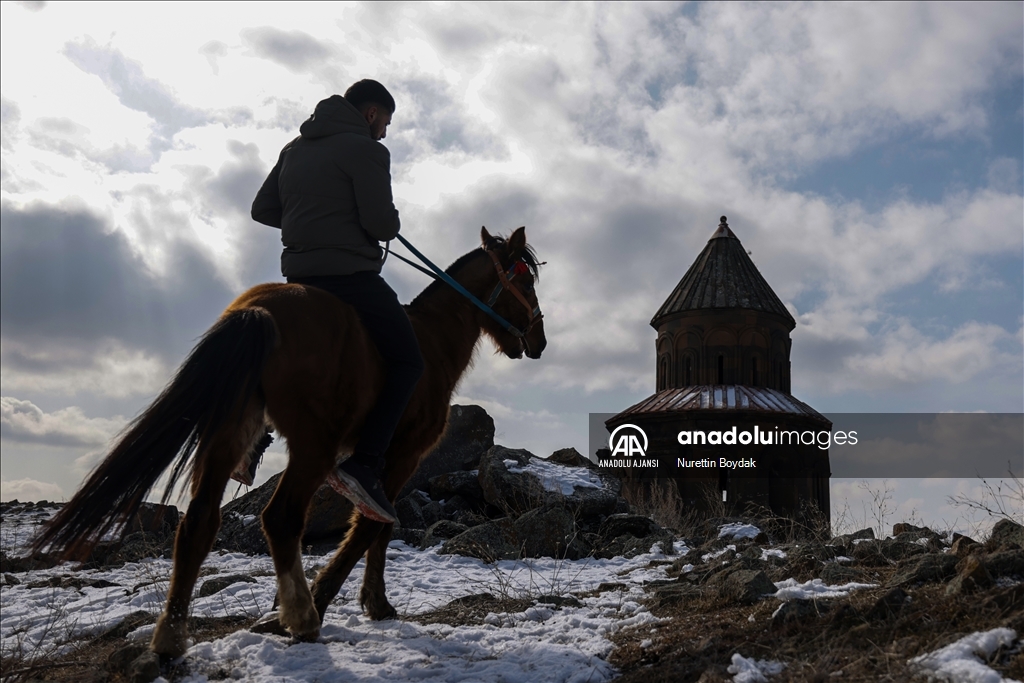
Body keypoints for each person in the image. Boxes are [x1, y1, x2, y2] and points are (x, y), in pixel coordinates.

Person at [244, 79, 424, 524]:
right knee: (408, 362)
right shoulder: (368, 150)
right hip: (349, 278)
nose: (384, 132)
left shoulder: (293, 148)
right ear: (370, 114)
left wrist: (315, 215)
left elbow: (263, 209)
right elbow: (382, 224)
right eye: (385, 122)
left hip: (299, 275)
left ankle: (250, 435)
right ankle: (365, 464)